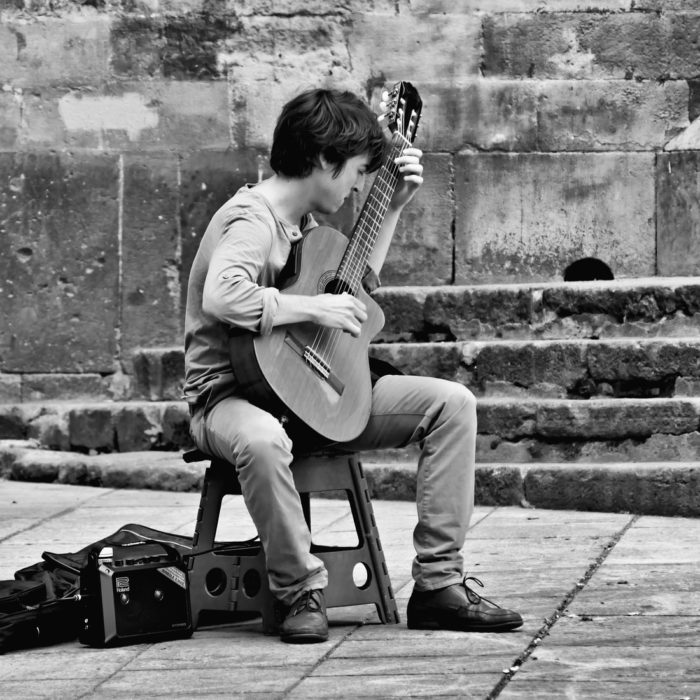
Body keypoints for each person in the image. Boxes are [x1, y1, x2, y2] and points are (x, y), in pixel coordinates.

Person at [184, 87, 523, 644]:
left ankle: (439, 585)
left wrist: (392, 206)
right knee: (264, 440)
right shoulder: (250, 219)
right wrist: (313, 306)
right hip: (229, 396)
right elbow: (224, 297)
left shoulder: (310, 230)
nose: (359, 185)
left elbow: (353, 290)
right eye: (359, 172)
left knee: (451, 404)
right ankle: (299, 592)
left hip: (308, 389)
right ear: (323, 161)